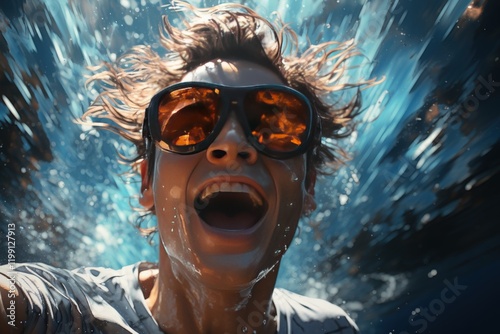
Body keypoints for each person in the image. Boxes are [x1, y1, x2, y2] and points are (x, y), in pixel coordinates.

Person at [1, 1, 374, 333]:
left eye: (275, 123)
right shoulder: (69, 313)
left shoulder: (332, 327)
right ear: (147, 183)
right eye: (189, 122)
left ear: (307, 188)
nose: (231, 144)